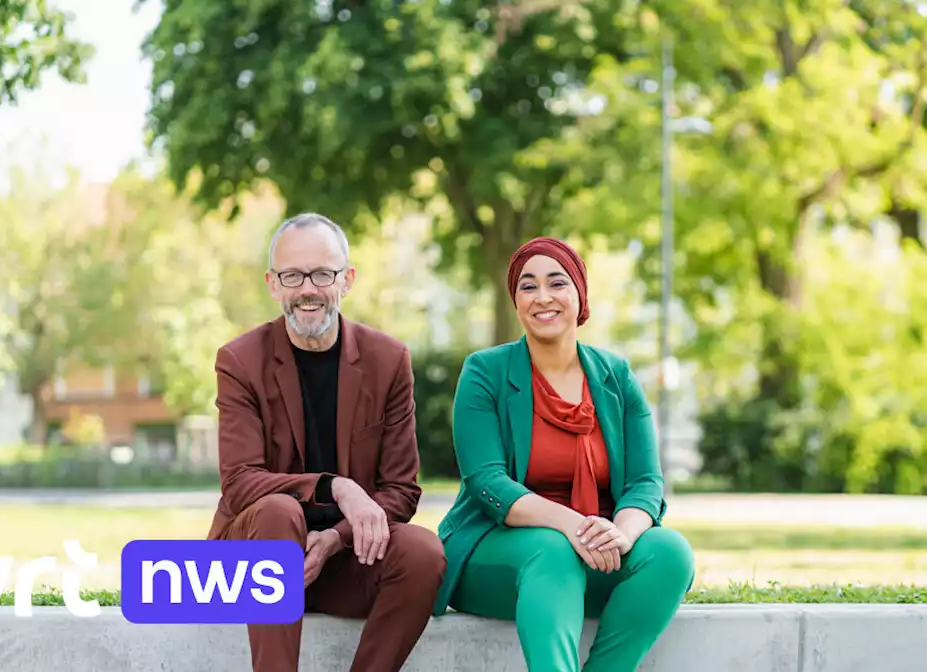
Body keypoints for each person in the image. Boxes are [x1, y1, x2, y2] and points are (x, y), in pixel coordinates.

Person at [434, 237, 695, 671]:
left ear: (579, 295)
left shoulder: (617, 376)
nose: (543, 298)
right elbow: (487, 482)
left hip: (597, 551)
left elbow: (645, 483)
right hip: (499, 557)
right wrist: (574, 526)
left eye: (557, 283)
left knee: (670, 552)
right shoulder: (485, 372)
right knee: (553, 550)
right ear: (515, 301)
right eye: (527, 286)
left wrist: (622, 534)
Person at [207, 213, 446, 672]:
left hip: (344, 559)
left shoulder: (388, 360)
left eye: (322, 273)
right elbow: (239, 483)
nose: (307, 289)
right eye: (292, 275)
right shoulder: (239, 360)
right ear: (273, 284)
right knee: (281, 510)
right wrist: (335, 486)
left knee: (423, 553)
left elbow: (401, 490)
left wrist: (335, 539)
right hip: (255, 562)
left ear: (347, 280)